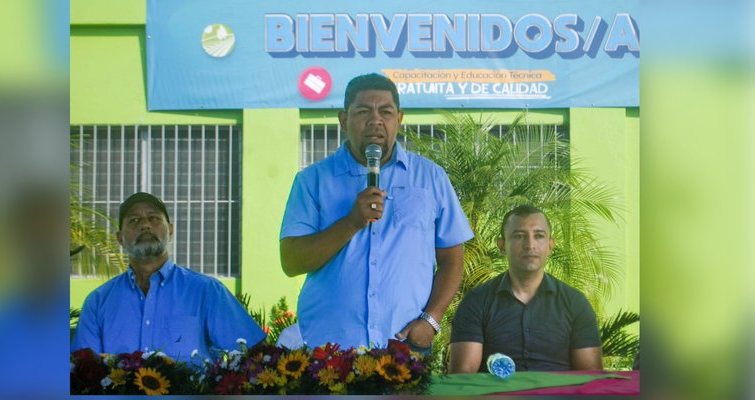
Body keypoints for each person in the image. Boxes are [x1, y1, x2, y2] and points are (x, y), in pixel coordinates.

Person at [280, 73, 473, 351]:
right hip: (329, 349)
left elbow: (452, 259)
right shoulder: (313, 181)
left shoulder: (430, 178)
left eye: (386, 112)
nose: (375, 121)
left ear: (399, 119)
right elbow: (291, 261)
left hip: (404, 344)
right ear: (343, 120)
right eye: (362, 112)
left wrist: (431, 320)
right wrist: (350, 223)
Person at [71, 192, 265, 361]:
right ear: (120, 238)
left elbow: (254, 355)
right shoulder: (98, 303)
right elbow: (84, 370)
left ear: (170, 230)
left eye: (154, 218)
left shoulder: (205, 291)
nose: (145, 225)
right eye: (134, 221)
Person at [449, 204, 602, 373]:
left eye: (539, 236)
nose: (530, 245)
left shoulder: (575, 303)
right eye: (519, 236)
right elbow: (463, 377)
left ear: (551, 245)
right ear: (502, 245)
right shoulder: (477, 301)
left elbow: (590, 376)